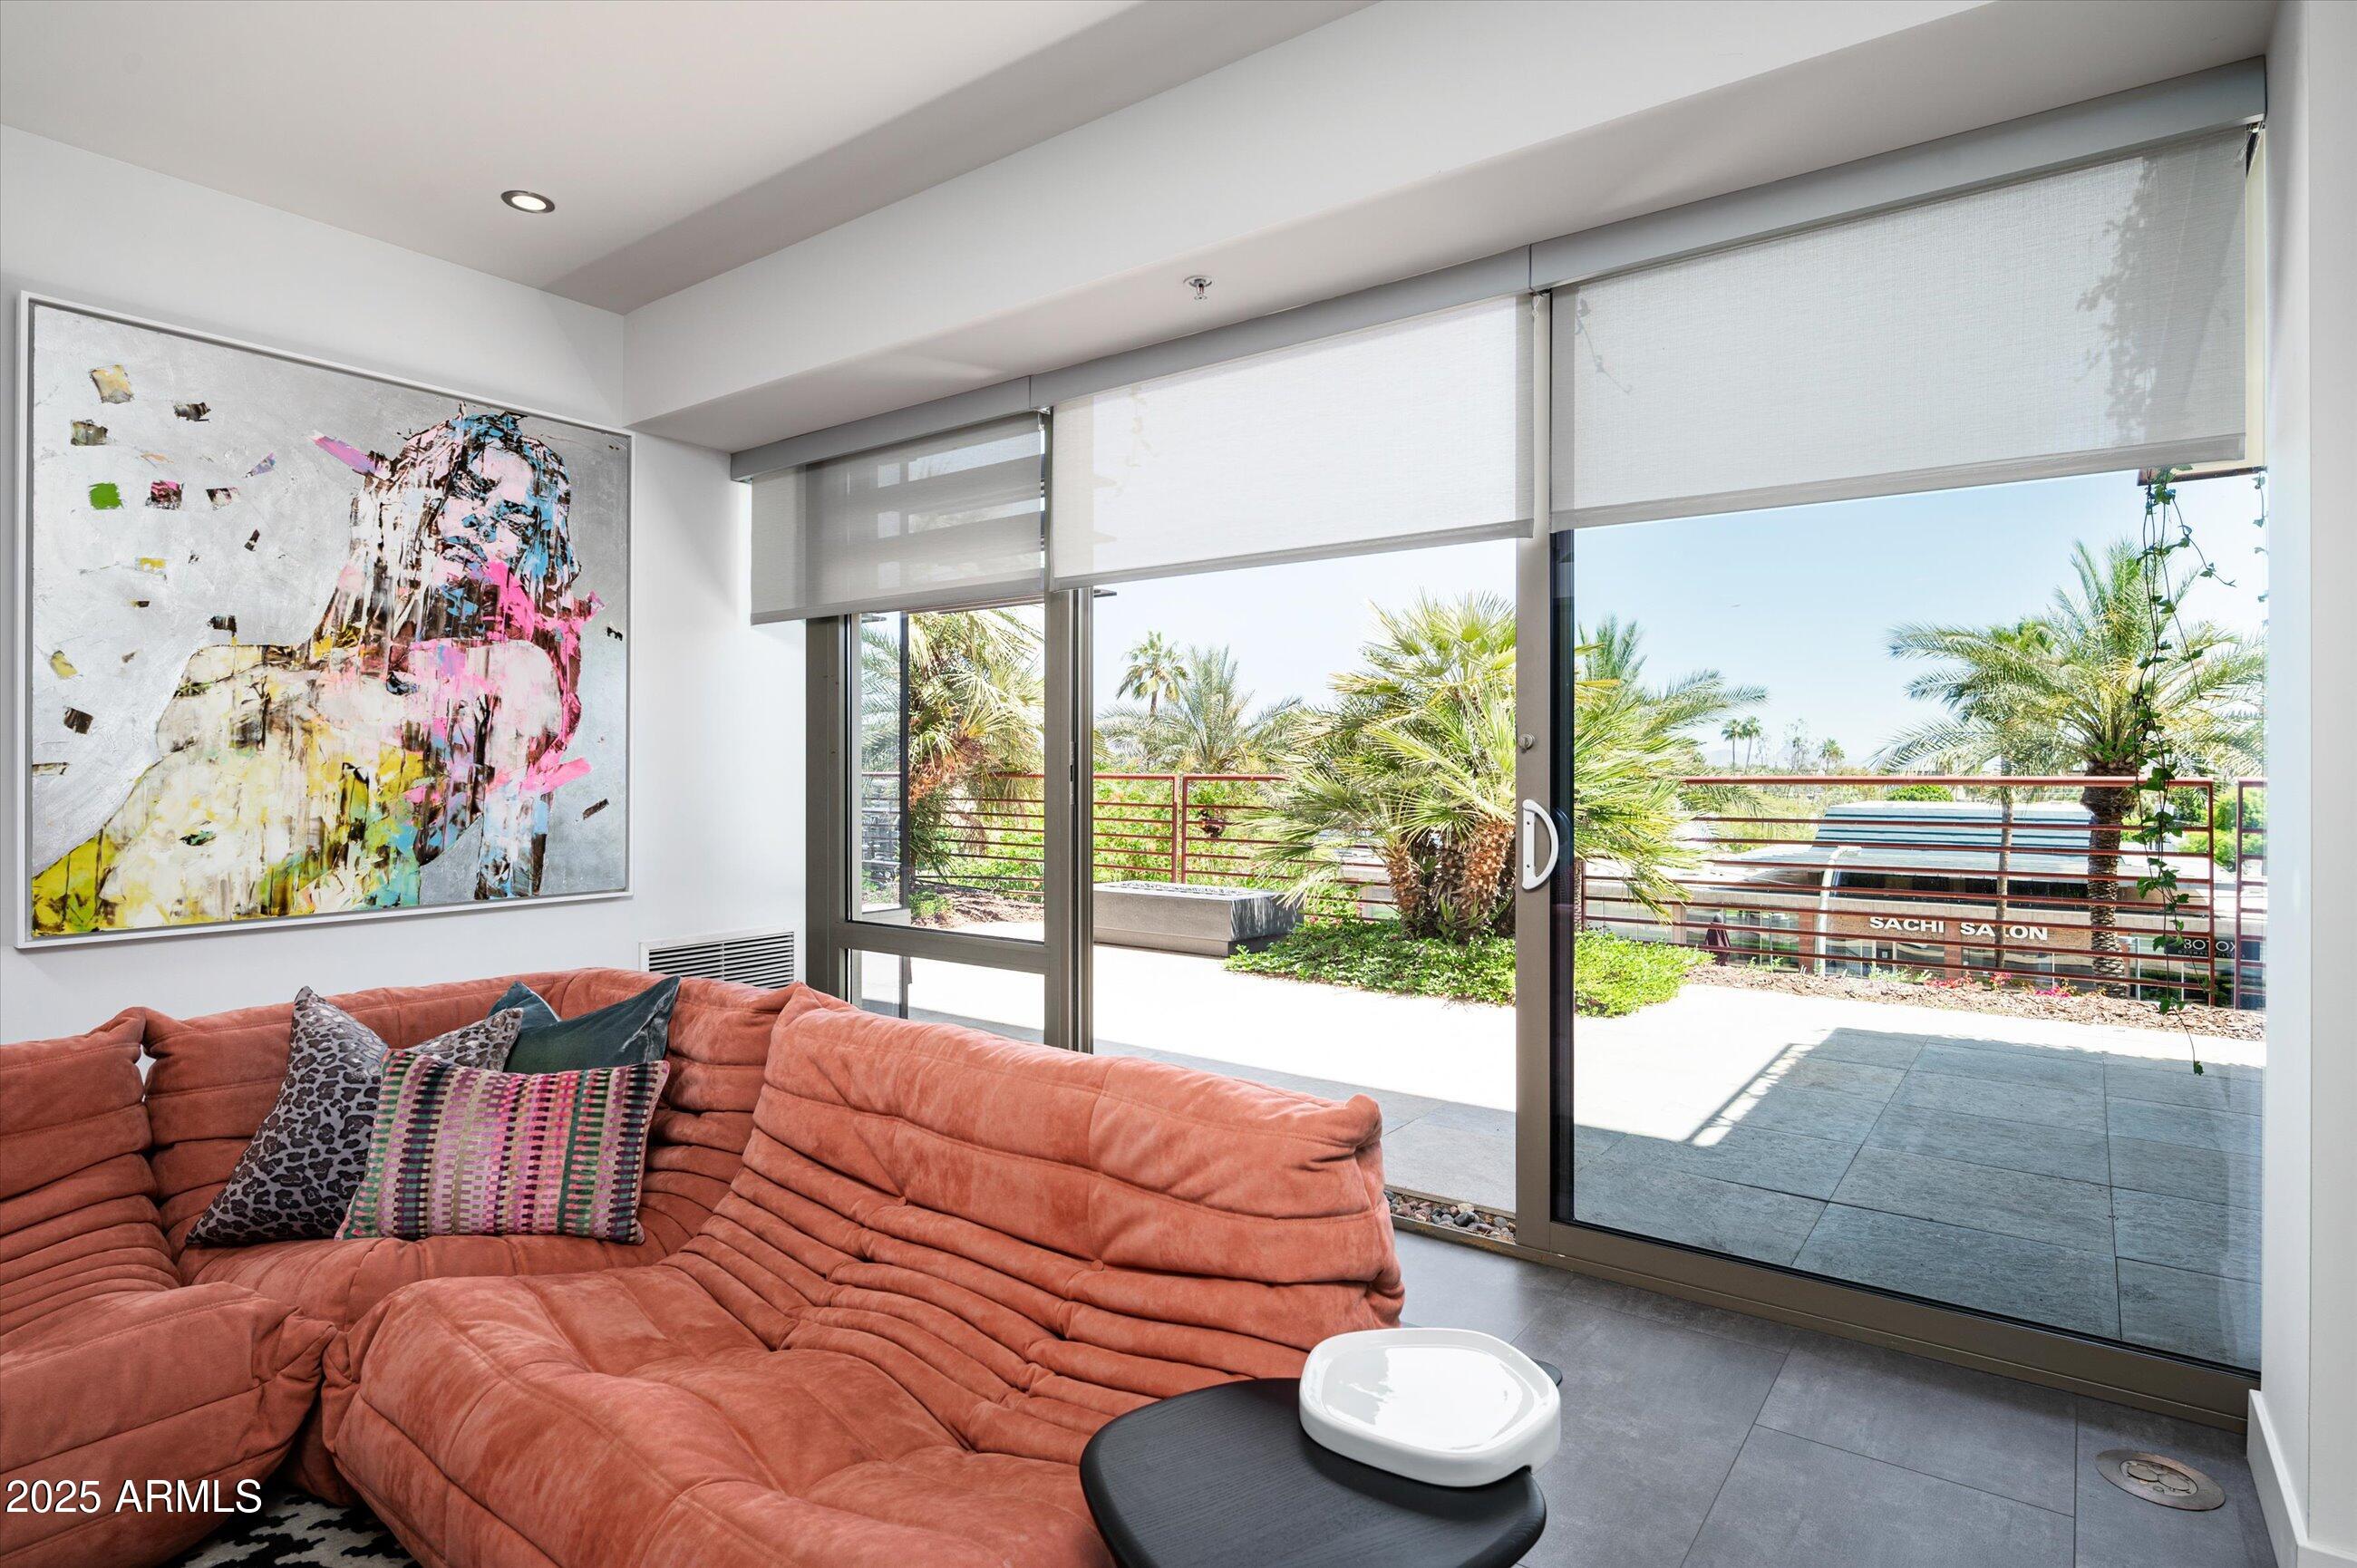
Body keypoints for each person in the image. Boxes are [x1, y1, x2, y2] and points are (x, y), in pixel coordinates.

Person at [32, 412, 597, 934]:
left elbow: (511, 870)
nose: (479, 523)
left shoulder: (520, 670)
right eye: (470, 492)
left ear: (534, 546)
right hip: (161, 837)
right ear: (426, 493)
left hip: (291, 888)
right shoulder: (374, 612)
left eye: (513, 518)